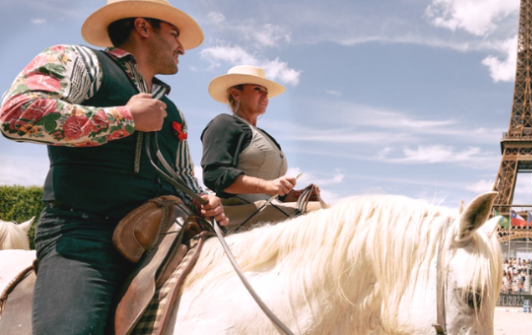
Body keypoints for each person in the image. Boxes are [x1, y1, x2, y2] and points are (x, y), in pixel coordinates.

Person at [0, 1, 228, 333]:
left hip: (163, 237)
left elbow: (181, 177)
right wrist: (126, 118)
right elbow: (17, 115)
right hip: (82, 236)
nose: (182, 48)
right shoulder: (79, 60)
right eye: (175, 34)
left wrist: (204, 199)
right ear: (143, 27)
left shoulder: (172, 108)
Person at [201, 65, 323, 229]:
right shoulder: (224, 123)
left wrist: (297, 195)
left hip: (267, 212)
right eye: (257, 89)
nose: (265, 96)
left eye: (266, 92)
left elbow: (272, 192)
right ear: (236, 94)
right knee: (327, 215)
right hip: (237, 215)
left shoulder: (265, 136)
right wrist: (267, 186)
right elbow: (216, 176)